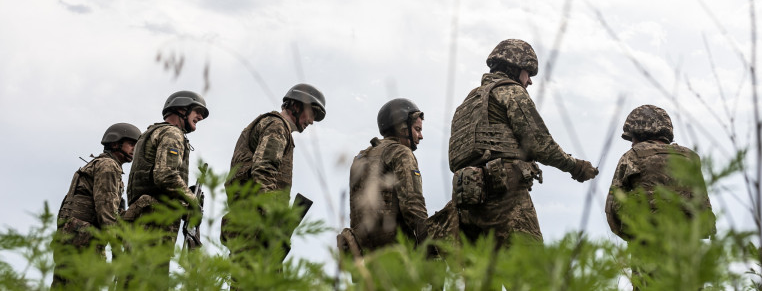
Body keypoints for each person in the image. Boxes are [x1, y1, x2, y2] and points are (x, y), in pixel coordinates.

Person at [447, 38, 598, 248]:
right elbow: (540, 144)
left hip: (469, 204)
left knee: (482, 278)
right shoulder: (510, 91)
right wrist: (576, 167)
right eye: (527, 72)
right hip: (505, 198)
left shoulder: (468, 102)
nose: (529, 81)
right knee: (531, 273)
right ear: (514, 68)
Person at [222, 83, 325, 274]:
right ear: (296, 105)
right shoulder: (277, 126)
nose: (311, 121)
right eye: (312, 113)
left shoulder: (272, 125)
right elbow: (263, 172)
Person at [125, 90, 208, 286]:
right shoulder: (172, 133)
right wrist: (192, 200)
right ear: (181, 109)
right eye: (197, 111)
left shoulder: (150, 132)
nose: (201, 117)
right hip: (156, 219)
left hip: (141, 216)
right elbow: (166, 175)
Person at [51, 122, 141, 288]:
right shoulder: (108, 166)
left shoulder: (98, 164)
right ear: (116, 143)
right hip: (85, 242)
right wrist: (117, 248)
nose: (135, 149)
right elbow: (106, 210)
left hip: (71, 238)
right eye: (131, 144)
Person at [605, 105, 714, 240]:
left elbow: (613, 206)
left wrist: (632, 236)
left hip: (648, 244)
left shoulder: (632, 156)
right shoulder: (690, 158)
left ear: (640, 133)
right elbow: (702, 201)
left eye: (632, 138)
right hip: (688, 247)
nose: (632, 143)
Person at [342, 98, 429, 255]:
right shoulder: (401, 153)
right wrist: (431, 250)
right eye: (417, 129)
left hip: (366, 256)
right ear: (402, 128)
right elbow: (413, 206)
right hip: (396, 256)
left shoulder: (361, 157)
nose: (420, 136)